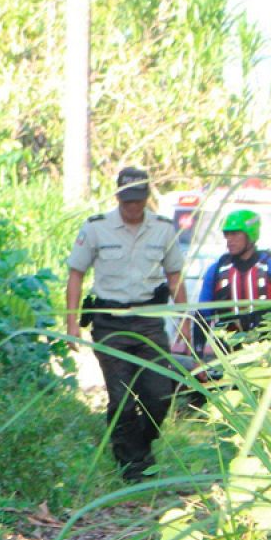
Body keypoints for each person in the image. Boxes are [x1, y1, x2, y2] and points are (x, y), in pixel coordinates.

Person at [66, 167, 191, 481]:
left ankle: (141, 447)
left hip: (148, 322)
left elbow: (175, 275)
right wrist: (71, 324)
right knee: (121, 397)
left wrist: (185, 321)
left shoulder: (163, 230)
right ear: (118, 197)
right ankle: (131, 466)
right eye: (126, 201)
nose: (132, 207)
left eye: (137, 201)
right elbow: (76, 275)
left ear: (146, 198)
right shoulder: (97, 228)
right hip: (110, 322)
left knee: (159, 393)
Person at [195, 208, 271, 352]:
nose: (230, 240)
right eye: (227, 235)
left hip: (268, 352)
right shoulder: (216, 270)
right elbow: (203, 315)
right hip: (228, 351)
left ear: (251, 235)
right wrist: (198, 355)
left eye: (235, 234)